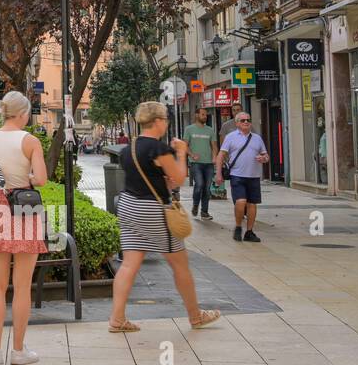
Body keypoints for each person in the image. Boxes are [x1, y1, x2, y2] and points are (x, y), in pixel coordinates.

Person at [108, 101, 221, 333]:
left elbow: (149, 176)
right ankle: (195, 316)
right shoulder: (158, 149)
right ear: (158, 121)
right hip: (153, 210)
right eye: (166, 120)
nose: (166, 124)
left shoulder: (129, 148)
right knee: (180, 264)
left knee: (129, 264)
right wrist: (180, 152)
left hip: (128, 206)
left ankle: (117, 319)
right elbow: (179, 178)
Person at [0, 91, 49, 365]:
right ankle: (18, 351)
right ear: (23, 114)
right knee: (22, 286)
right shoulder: (30, 141)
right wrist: (24, 176)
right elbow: (41, 179)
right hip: (25, 210)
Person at [216, 111, 268, 243]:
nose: (246, 122)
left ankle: (249, 232)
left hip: (254, 176)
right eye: (243, 120)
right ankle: (238, 226)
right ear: (237, 123)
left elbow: (266, 156)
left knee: (252, 204)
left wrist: (263, 158)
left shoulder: (257, 138)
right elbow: (221, 155)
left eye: (248, 120)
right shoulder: (230, 137)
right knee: (240, 202)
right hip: (237, 175)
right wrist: (218, 173)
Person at [184, 107, 218, 220]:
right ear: (196, 115)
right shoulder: (189, 129)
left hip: (209, 163)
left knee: (207, 188)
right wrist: (192, 155)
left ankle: (204, 212)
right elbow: (185, 145)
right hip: (196, 163)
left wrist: (214, 157)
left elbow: (214, 146)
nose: (205, 116)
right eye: (203, 114)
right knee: (199, 185)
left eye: (206, 115)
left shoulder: (210, 130)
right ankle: (195, 205)